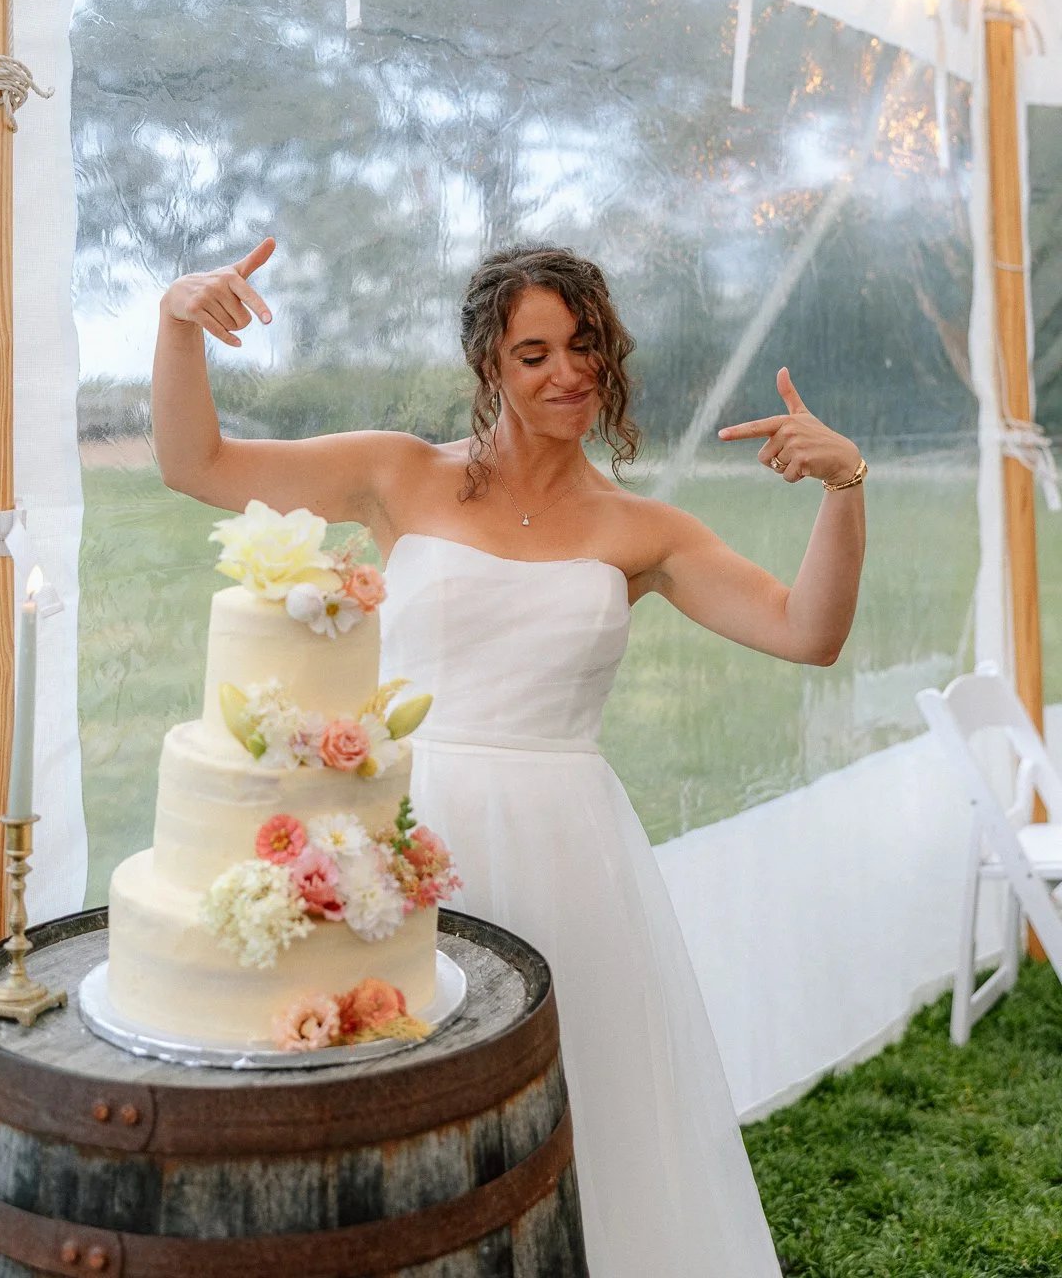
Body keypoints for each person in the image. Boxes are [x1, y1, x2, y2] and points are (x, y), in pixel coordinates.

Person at [152, 236, 866, 1277]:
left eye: (583, 347)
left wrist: (845, 484)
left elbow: (809, 631)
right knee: (397, 1098)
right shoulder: (398, 474)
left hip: (568, 850)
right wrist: (178, 321)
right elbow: (195, 465)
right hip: (401, 837)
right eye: (534, 353)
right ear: (488, 361)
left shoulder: (646, 530)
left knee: (581, 1105)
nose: (566, 373)